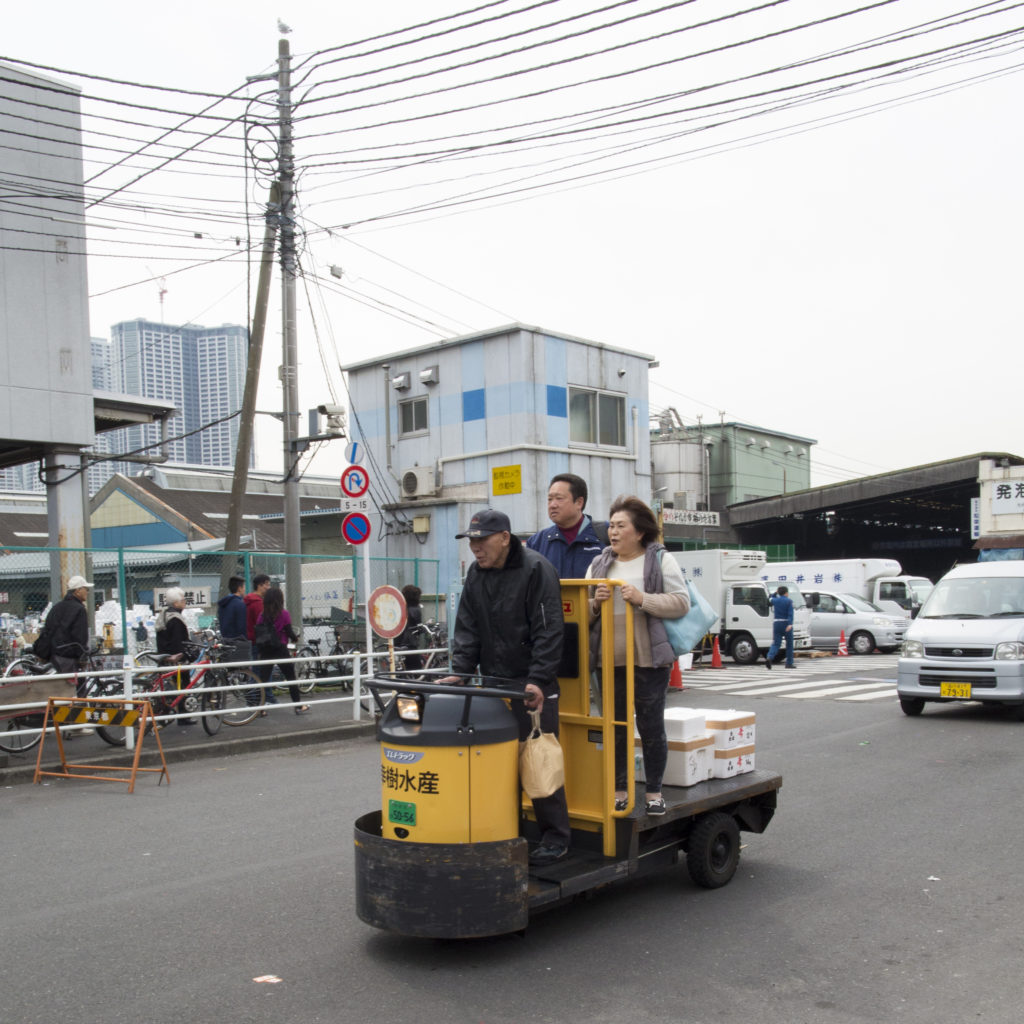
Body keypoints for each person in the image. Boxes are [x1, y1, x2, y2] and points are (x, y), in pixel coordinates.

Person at [443, 508, 571, 867]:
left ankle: (556, 837)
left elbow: (549, 629)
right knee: (496, 763)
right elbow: (466, 625)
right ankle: (506, 827)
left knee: (539, 760)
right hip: (493, 682)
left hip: (531, 683)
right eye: (471, 541)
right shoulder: (476, 574)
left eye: (482, 541)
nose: (476, 549)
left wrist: (539, 679)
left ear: (504, 538)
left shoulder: (536, 569)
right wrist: (462, 671)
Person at [586, 496, 689, 817]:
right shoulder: (600, 563)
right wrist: (594, 602)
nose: (613, 533)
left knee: (651, 726)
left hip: (648, 659)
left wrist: (643, 598)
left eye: (621, 526)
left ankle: (655, 792)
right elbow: (581, 611)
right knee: (614, 726)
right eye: (611, 526)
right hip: (607, 659)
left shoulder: (659, 560)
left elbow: (681, 602)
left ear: (640, 531)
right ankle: (620, 790)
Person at [526, 472, 606, 579]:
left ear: (579, 503)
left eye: (559, 498)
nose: (552, 505)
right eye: (550, 499)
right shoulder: (537, 543)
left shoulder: (607, 534)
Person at [253, 586, 311, 715]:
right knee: (291, 678)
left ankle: (260, 709)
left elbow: (258, 630)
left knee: (262, 680)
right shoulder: (284, 614)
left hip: (266, 650)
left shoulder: (262, 615)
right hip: (280, 649)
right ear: (280, 599)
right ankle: (298, 706)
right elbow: (289, 632)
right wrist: (295, 638)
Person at [42, 574, 94, 696]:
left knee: (61, 692)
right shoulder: (79, 609)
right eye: (85, 589)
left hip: (55, 656)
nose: (87, 591)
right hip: (70, 657)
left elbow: (47, 630)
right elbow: (80, 636)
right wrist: (83, 656)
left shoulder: (56, 607)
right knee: (78, 692)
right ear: (77, 591)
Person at [155, 587, 193, 725]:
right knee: (182, 685)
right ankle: (183, 716)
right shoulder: (176, 620)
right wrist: (185, 656)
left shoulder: (164, 614)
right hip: (175, 659)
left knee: (171, 687)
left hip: (164, 656)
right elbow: (178, 643)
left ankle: (170, 713)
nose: (185, 603)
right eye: (183, 600)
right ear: (176, 603)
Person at [217, 576, 250, 664]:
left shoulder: (223, 604)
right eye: (244, 587)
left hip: (225, 640)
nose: (244, 589)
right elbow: (242, 626)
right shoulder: (240, 604)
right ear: (239, 588)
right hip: (237, 643)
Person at [765, 585, 795, 669]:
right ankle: (789, 663)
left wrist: (775, 593)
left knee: (776, 643)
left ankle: (769, 657)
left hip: (777, 623)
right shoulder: (789, 601)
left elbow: (769, 599)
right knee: (789, 644)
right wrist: (790, 624)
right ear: (786, 593)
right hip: (786, 623)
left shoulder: (775, 600)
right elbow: (790, 613)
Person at [397, 584, 424, 674]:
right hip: (410, 644)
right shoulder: (415, 609)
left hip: (398, 642)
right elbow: (419, 627)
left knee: (402, 669)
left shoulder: (400, 608)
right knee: (417, 672)